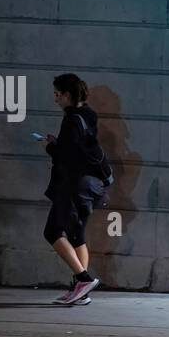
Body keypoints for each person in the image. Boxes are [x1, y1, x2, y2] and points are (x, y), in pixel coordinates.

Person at [39, 74, 112, 305]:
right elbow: (79, 149)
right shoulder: (88, 115)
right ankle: (81, 292)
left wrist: (50, 147)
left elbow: (68, 158)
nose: (55, 99)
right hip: (88, 187)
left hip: (73, 186)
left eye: (57, 94)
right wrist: (58, 144)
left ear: (67, 95)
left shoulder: (71, 120)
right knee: (77, 236)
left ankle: (83, 279)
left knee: (52, 232)